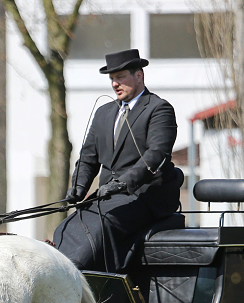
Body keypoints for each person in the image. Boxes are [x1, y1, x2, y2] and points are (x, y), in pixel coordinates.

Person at [53, 48, 181, 273]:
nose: (115, 84)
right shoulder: (104, 113)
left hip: (145, 195)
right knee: (66, 227)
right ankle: (63, 272)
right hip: (109, 197)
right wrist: (78, 188)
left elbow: (156, 155)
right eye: (112, 79)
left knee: (104, 223)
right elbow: (88, 157)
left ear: (139, 76)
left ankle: (95, 282)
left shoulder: (158, 109)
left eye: (120, 77)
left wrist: (123, 183)